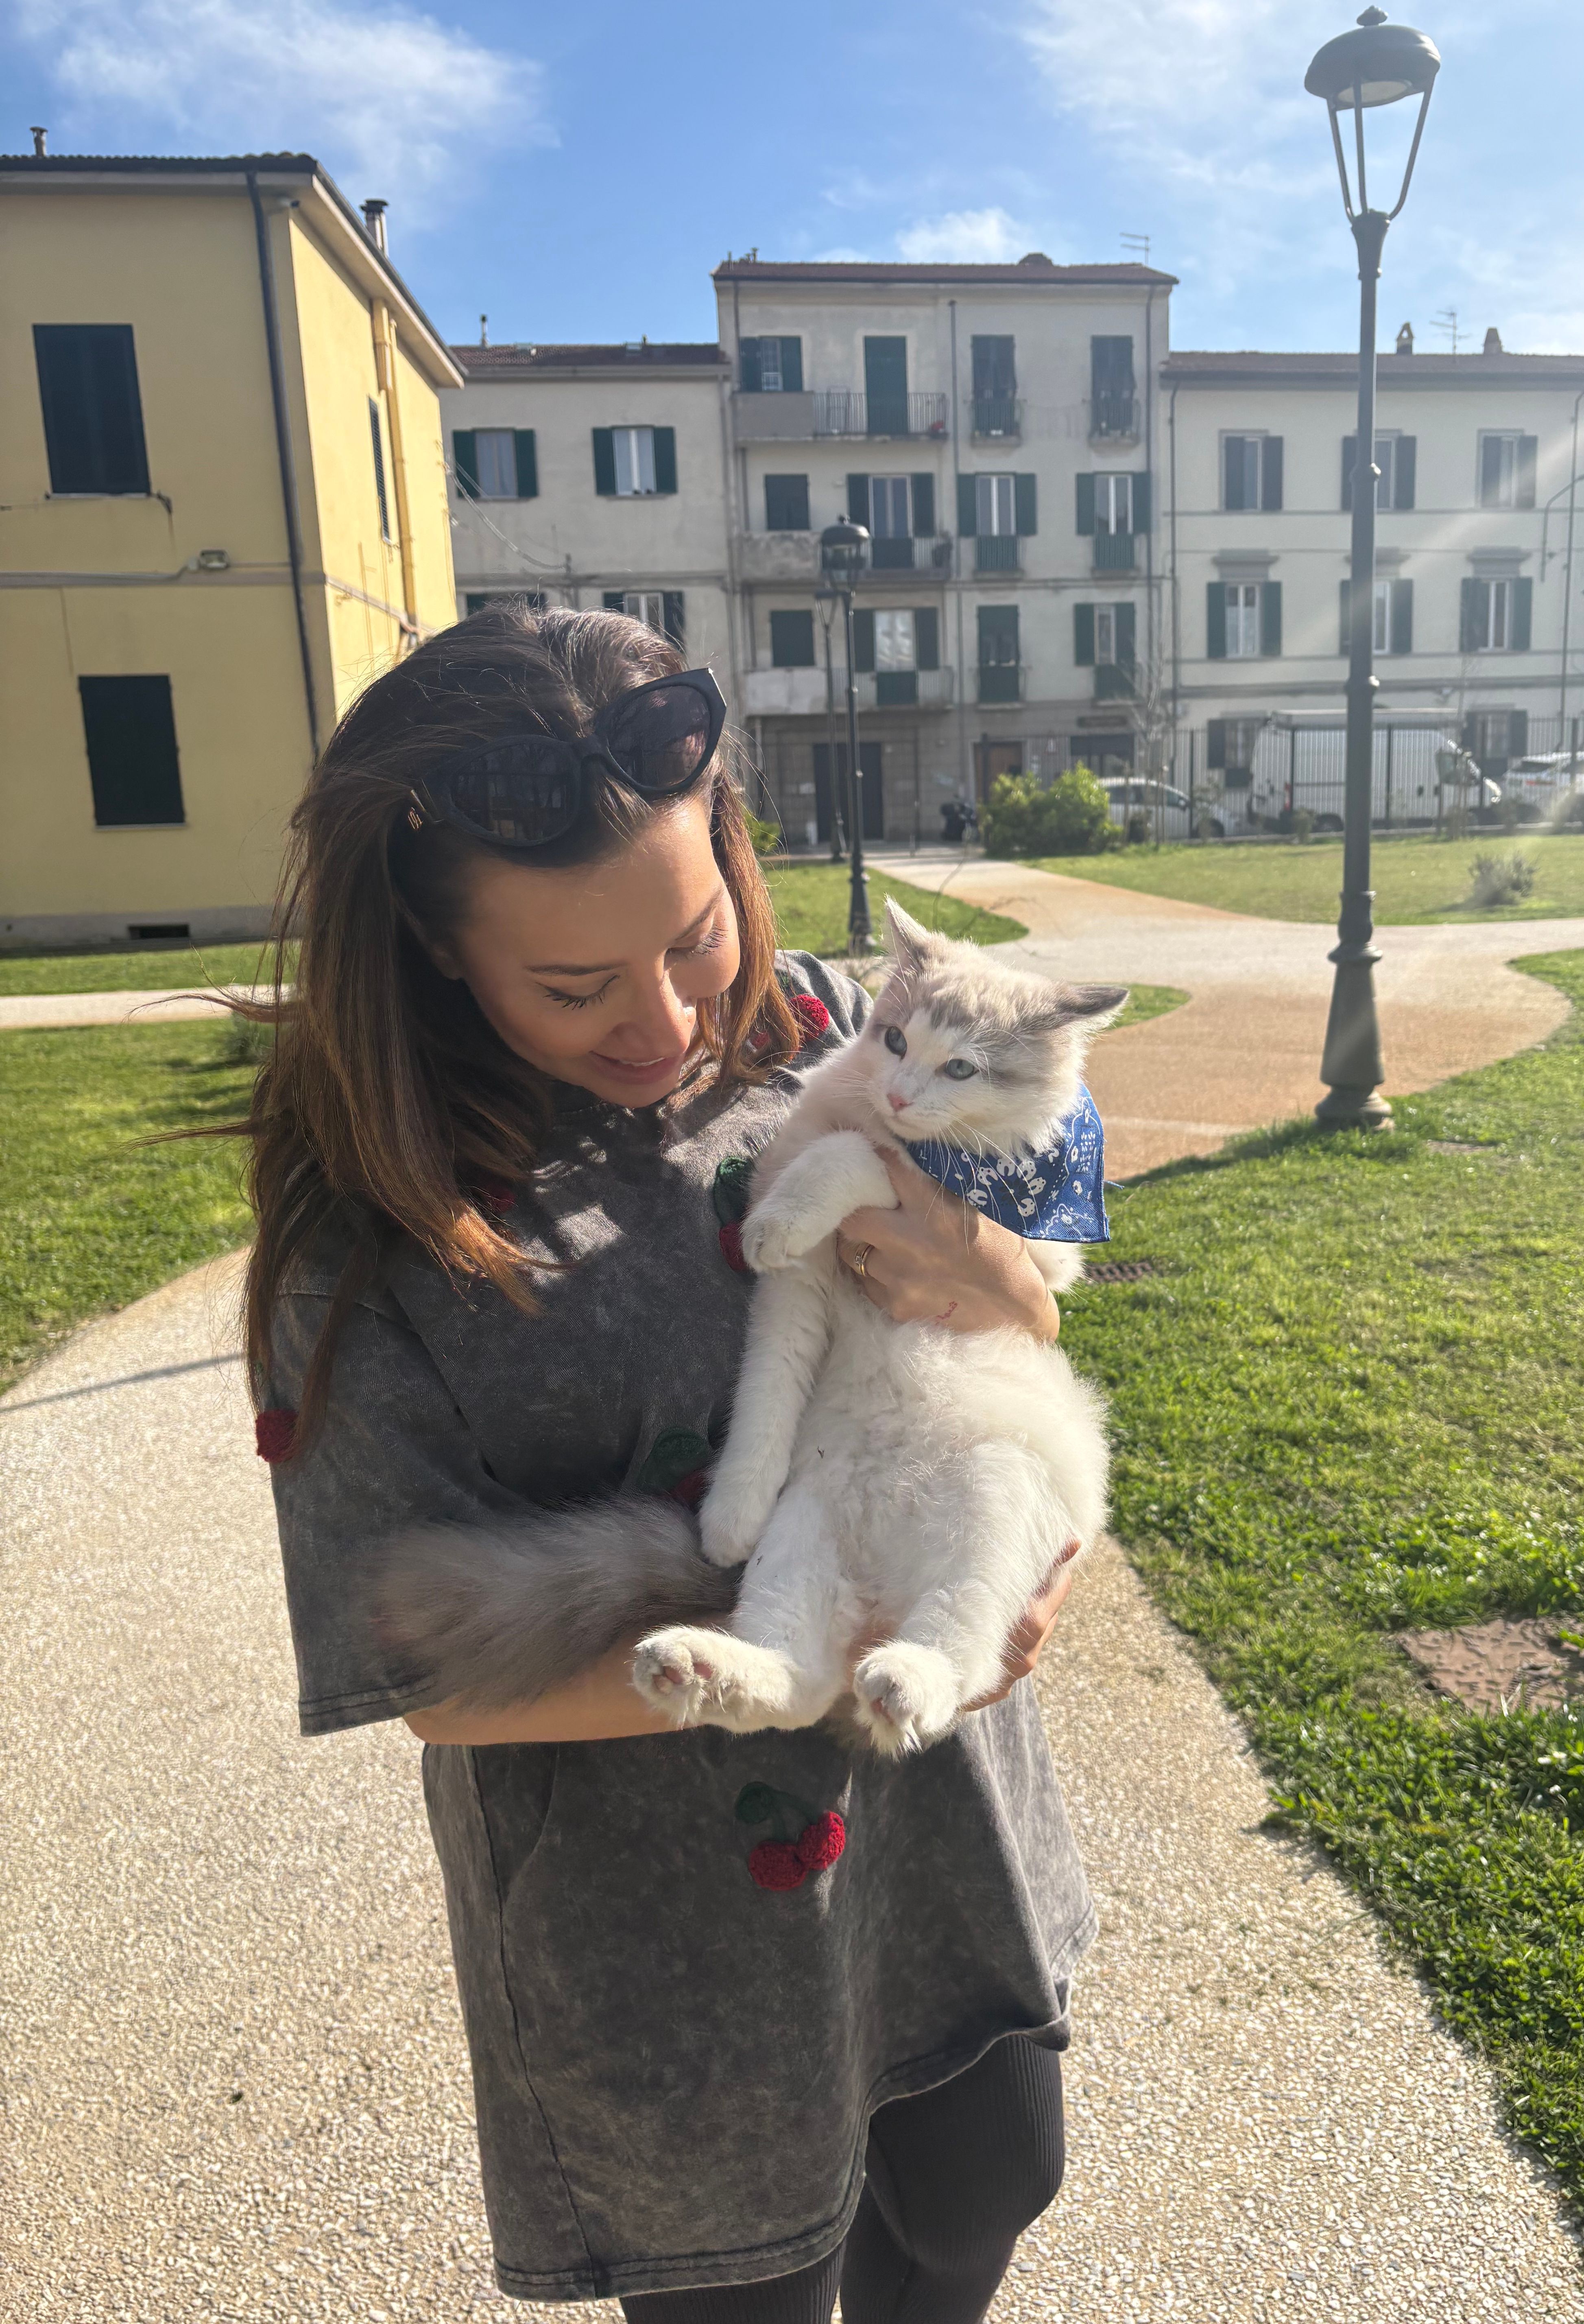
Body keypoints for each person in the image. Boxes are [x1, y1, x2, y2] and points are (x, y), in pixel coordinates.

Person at [246, 605, 1093, 2320]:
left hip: (942, 1835)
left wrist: (1006, 1294)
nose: (665, 1021)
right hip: (667, 1940)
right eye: (573, 984)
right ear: (427, 944)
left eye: (695, 936)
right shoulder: (372, 1242)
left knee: (984, 2192)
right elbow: (429, 1681)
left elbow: (1022, 1311)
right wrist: (804, 1667)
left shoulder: (837, 1025)